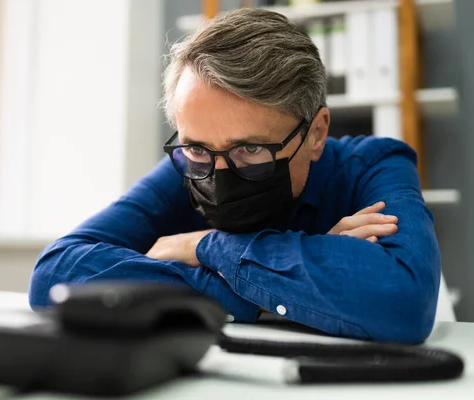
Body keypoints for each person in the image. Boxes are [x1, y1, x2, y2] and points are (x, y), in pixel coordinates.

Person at [29, 9, 440, 343]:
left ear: (316, 134)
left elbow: (405, 304)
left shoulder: (375, 164)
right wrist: (280, 286)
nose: (217, 173)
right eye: (197, 147)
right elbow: (54, 275)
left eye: (251, 149)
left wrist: (205, 246)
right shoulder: (189, 164)